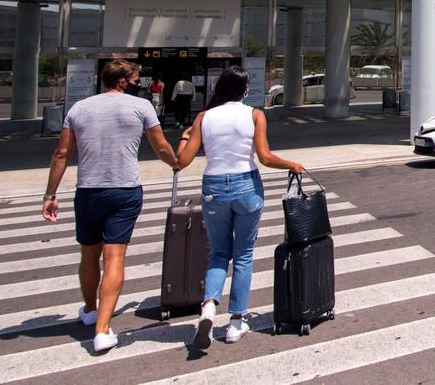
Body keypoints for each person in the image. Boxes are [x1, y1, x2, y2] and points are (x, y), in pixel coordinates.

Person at [41, 59, 179, 353]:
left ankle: (90, 310)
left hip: (88, 190)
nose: (137, 81)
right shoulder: (141, 107)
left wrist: (50, 194)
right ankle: (103, 330)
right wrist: (176, 163)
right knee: (114, 256)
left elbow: (61, 153)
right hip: (124, 189)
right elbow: (162, 146)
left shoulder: (79, 108)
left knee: (89, 252)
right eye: (135, 77)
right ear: (124, 80)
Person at [174, 65, 304, 349]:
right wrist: (292, 164)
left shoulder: (204, 117)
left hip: (214, 188)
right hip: (246, 186)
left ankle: (208, 307)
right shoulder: (254, 114)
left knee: (219, 253)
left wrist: (184, 137)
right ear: (245, 90)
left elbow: (181, 161)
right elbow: (265, 157)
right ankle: (235, 322)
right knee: (244, 254)